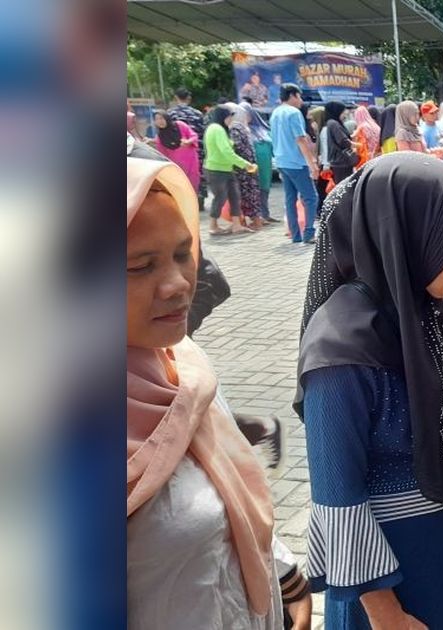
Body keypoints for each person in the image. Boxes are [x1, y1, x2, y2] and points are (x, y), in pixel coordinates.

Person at [295, 153, 443, 630]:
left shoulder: (429, 309)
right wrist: (387, 615)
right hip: (390, 579)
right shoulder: (339, 353)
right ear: (407, 234)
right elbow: (337, 495)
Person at [127, 155, 312, 630]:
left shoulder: (183, 367)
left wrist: (283, 574)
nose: (178, 285)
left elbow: (229, 485)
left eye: (183, 253)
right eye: (139, 266)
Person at [269, 83, 321, 244]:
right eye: (299, 96)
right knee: (311, 197)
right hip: (296, 162)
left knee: (290, 199)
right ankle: (309, 233)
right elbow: (300, 139)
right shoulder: (294, 113)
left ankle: (295, 235)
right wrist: (312, 164)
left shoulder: (275, 113)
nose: (301, 100)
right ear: (292, 95)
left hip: (282, 161)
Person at [203, 105, 257, 236]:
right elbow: (227, 152)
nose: (231, 119)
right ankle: (213, 225)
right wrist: (246, 164)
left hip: (227, 169)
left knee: (235, 196)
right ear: (222, 116)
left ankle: (236, 225)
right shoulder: (217, 129)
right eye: (229, 116)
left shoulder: (219, 129)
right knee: (220, 198)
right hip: (216, 170)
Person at [228, 104, 265, 229]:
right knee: (252, 193)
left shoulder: (234, 129)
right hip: (250, 165)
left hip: (242, 167)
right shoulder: (244, 128)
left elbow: (236, 146)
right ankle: (255, 221)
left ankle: (253, 222)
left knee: (245, 194)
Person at [169, 87, 208, 206]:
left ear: (176, 98)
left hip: (177, 152)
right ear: (189, 98)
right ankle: (199, 199)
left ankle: (182, 200)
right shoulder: (197, 114)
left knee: (180, 175)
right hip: (196, 150)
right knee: (197, 174)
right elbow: (203, 133)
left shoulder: (170, 114)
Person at [244, 103, 280, 223]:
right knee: (253, 190)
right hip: (250, 166)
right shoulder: (242, 131)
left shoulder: (264, 130)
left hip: (265, 165)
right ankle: (256, 216)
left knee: (264, 188)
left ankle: (265, 214)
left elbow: (273, 148)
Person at [152, 110, 201, 194]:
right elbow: (162, 155)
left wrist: (188, 141)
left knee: (192, 188)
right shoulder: (160, 137)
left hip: (191, 163)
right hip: (178, 167)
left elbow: (194, 136)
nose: (159, 121)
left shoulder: (180, 125)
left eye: (161, 118)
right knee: (181, 190)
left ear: (167, 118)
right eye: (156, 119)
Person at [323, 101, 358, 184]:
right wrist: (358, 145)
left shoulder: (331, 123)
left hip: (338, 161)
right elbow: (342, 141)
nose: (344, 114)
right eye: (342, 112)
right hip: (341, 161)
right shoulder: (334, 124)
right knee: (345, 185)